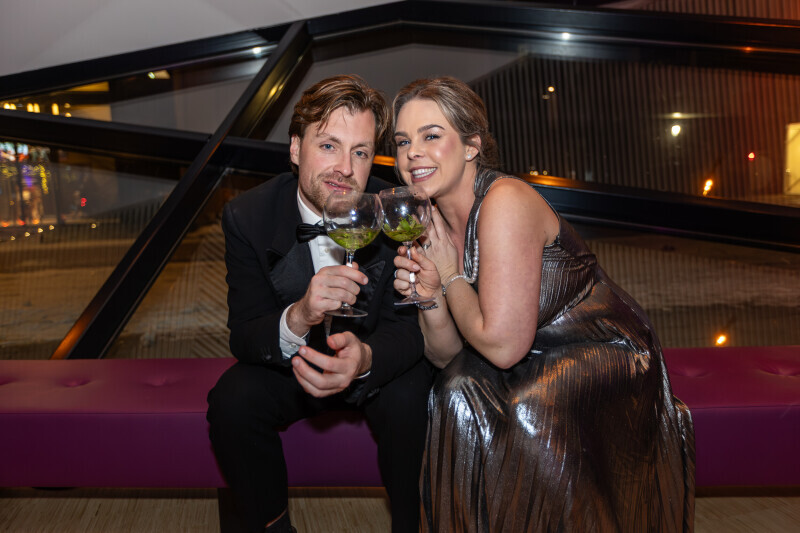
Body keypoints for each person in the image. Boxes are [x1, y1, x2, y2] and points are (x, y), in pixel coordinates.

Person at [391, 76, 695, 532]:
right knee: (452, 392)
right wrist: (431, 296)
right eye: (402, 142)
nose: (412, 153)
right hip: (529, 351)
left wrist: (450, 273)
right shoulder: (426, 222)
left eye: (431, 136)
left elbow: (502, 347)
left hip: (601, 349)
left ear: (472, 146)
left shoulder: (505, 202)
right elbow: (446, 356)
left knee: (531, 405)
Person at [207, 74, 434, 533]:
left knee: (412, 396)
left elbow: (409, 328)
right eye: (329, 145)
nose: (345, 168)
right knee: (232, 400)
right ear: (296, 149)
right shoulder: (247, 216)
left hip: (375, 366)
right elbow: (245, 333)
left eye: (360, 152)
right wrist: (300, 315)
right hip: (294, 367)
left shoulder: (396, 210)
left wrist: (365, 358)